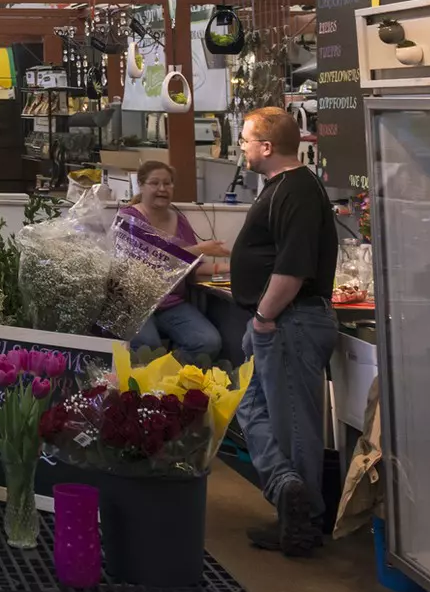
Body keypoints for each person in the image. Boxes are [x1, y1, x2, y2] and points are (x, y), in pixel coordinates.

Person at [230, 107, 340, 559]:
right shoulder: (282, 188)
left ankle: (302, 522)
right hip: (277, 319)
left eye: (245, 139)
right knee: (250, 405)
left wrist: (264, 317)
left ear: (267, 146)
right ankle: (287, 487)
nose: (241, 146)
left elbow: (292, 269)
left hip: (289, 319)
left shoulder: (295, 190)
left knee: (293, 424)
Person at [119, 160, 229, 359]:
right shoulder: (128, 218)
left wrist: (228, 267)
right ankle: (145, 385)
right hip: (135, 303)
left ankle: (169, 380)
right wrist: (198, 249)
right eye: (155, 183)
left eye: (167, 183)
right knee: (147, 346)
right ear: (141, 185)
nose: (162, 189)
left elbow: (193, 267)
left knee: (208, 342)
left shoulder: (180, 220)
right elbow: (149, 261)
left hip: (170, 303)